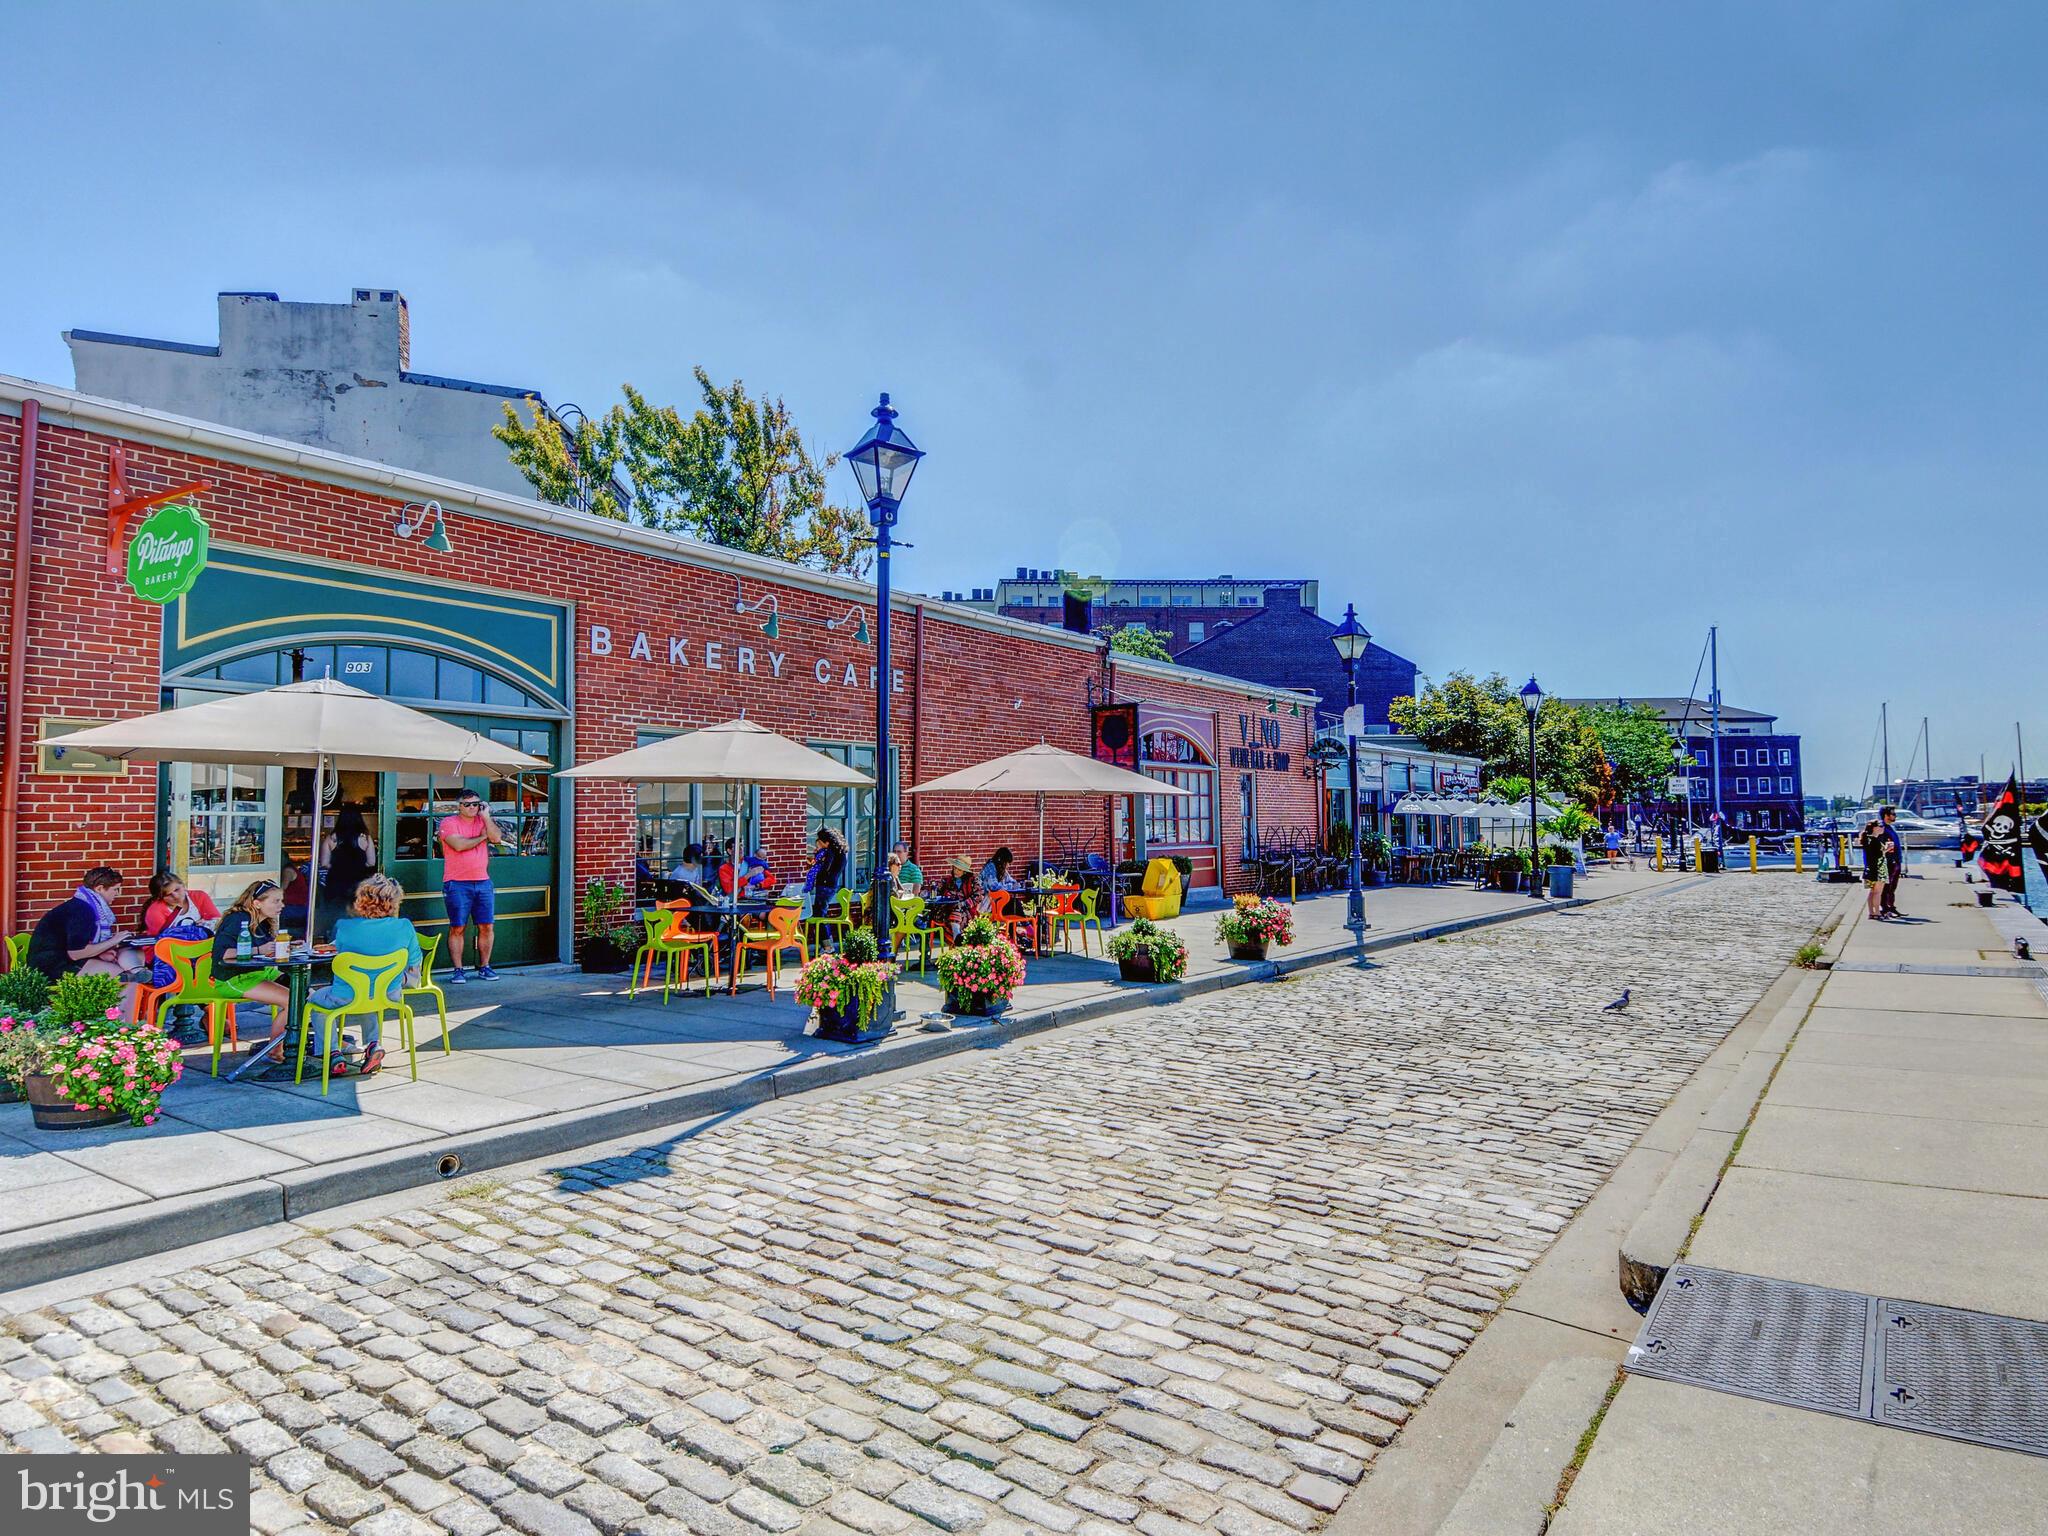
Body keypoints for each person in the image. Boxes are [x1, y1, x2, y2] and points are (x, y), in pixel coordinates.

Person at [310, 875, 422, 1077]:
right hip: (388, 993)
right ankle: (372, 1045)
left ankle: (332, 1053)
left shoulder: (345, 927)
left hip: (347, 994)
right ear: (394, 903)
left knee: (315, 1001)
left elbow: (340, 953)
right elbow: (414, 964)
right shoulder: (404, 926)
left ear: (361, 900)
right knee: (369, 995)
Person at [26, 869, 143, 1013]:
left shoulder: (83, 905)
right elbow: (76, 953)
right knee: (125, 979)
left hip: (58, 961)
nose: (117, 894)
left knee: (119, 967)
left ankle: (136, 975)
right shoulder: (83, 911)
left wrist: (103, 951)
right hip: (51, 968)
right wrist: (113, 940)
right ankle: (124, 1025)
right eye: (115, 889)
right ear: (99, 888)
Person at [211, 879, 295, 1067]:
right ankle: (275, 1051)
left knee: (309, 996)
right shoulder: (238, 920)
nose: (282, 905)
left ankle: (330, 1046)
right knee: (292, 1000)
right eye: (276, 901)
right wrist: (261, 950)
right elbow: (223, 954)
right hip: (234, 978)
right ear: (257, 903)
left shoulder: (264, 922)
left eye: (281, 900)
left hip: (261, 973)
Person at [439, 790, 505, 983]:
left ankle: (485, 966)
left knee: (486, 926)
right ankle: (458, 970)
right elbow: (458, 845)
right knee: (458, 927)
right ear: (459, 806)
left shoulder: (483, 820)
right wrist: (481, 837)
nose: (472, 808)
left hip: (483, 881)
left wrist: (486, 817)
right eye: (467, 804)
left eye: (476, 804)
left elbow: (496, 838)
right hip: (457, 882)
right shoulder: (449, 823)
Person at [320, 804, 378, 919]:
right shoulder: (365, 837)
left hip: (336, 881)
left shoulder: (332, 837)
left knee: (336, 915)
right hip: (358, 881)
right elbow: (371, 862)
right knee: (357, 914)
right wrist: (359, 865)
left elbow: (324, 863)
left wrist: (337, 866)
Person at [935, 854, 984, 941]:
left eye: (959, 870)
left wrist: (962, 904)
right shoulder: (947, 881)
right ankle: (958, 939)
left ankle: (956, 939)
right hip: (946, 911)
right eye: (955, 868)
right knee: (953, 914)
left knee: (956, 914)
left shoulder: (973, 881)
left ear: (965, 872)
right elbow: (938, 894)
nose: (956, 871)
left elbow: (978, 896)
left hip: (966, 911)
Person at [807, 828, 848, 928]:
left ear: (827, 842)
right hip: (832, 885)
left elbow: (824, 868)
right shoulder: (840, 852)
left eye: (820, 841)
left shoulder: (829, 852)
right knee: (822, 913)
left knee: (820, 915)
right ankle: (826, 941)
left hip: (825, 885)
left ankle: (826, 942)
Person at [1879, 806, 1906, 918]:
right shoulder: (1882, 829)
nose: (1895, 816)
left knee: (1892, 887)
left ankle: (1891, 907)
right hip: (1890, 862)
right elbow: (1882, 847)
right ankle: (1884, 908)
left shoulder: (1889, 828)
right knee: (1886, 886)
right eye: (1893, 814)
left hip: (1896, 861)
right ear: (1886, 815)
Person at [1860, 819, 1890, 919]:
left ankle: (1871, 912)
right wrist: (1887, 849)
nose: (1882, 828)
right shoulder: (1875, 841)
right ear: (1874, 828)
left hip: (1870, 869)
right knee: (1877, 892)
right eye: (1880, 826)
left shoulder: (1868, 839)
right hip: (1878, 869)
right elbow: (1879, 855)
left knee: (1872, 891)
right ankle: (1877, 912)